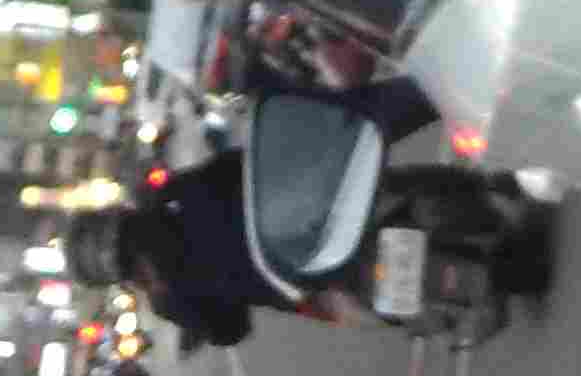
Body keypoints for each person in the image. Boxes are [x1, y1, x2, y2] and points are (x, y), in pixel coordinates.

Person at [60, 74, 439, 348]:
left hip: (314, 269)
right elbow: (234, 164)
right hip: (317, 222)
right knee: (374, 117)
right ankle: (441, 85)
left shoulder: (166, 297)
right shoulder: (169, 202)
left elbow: (231, 330)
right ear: (111, 218)